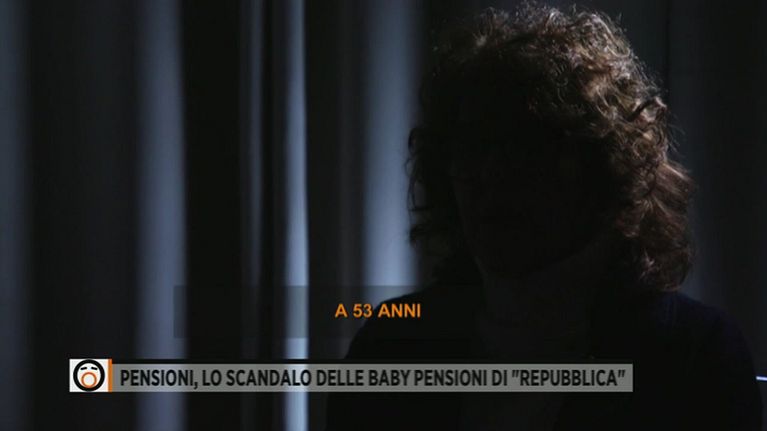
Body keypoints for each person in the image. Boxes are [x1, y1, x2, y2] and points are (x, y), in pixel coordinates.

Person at [325, 4, 762, 430]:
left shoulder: (693, 356)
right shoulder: (390, 346)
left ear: (600, 167)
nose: (491, 176)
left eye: (524, 150)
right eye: (472, 148)